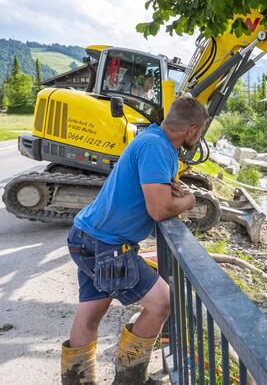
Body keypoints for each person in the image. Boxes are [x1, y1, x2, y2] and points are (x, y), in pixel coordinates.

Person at [60, 97, 209, 384]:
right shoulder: (157, 147)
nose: (198, 138)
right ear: (191, 130)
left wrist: (169, 191)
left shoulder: (153, 139)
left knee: (91, 314)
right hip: (105, 244)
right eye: (199, 132)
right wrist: (189, 200)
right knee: (161, 303)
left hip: (87, 237)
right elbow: (159, 209)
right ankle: (129, 380)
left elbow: (157, 197)